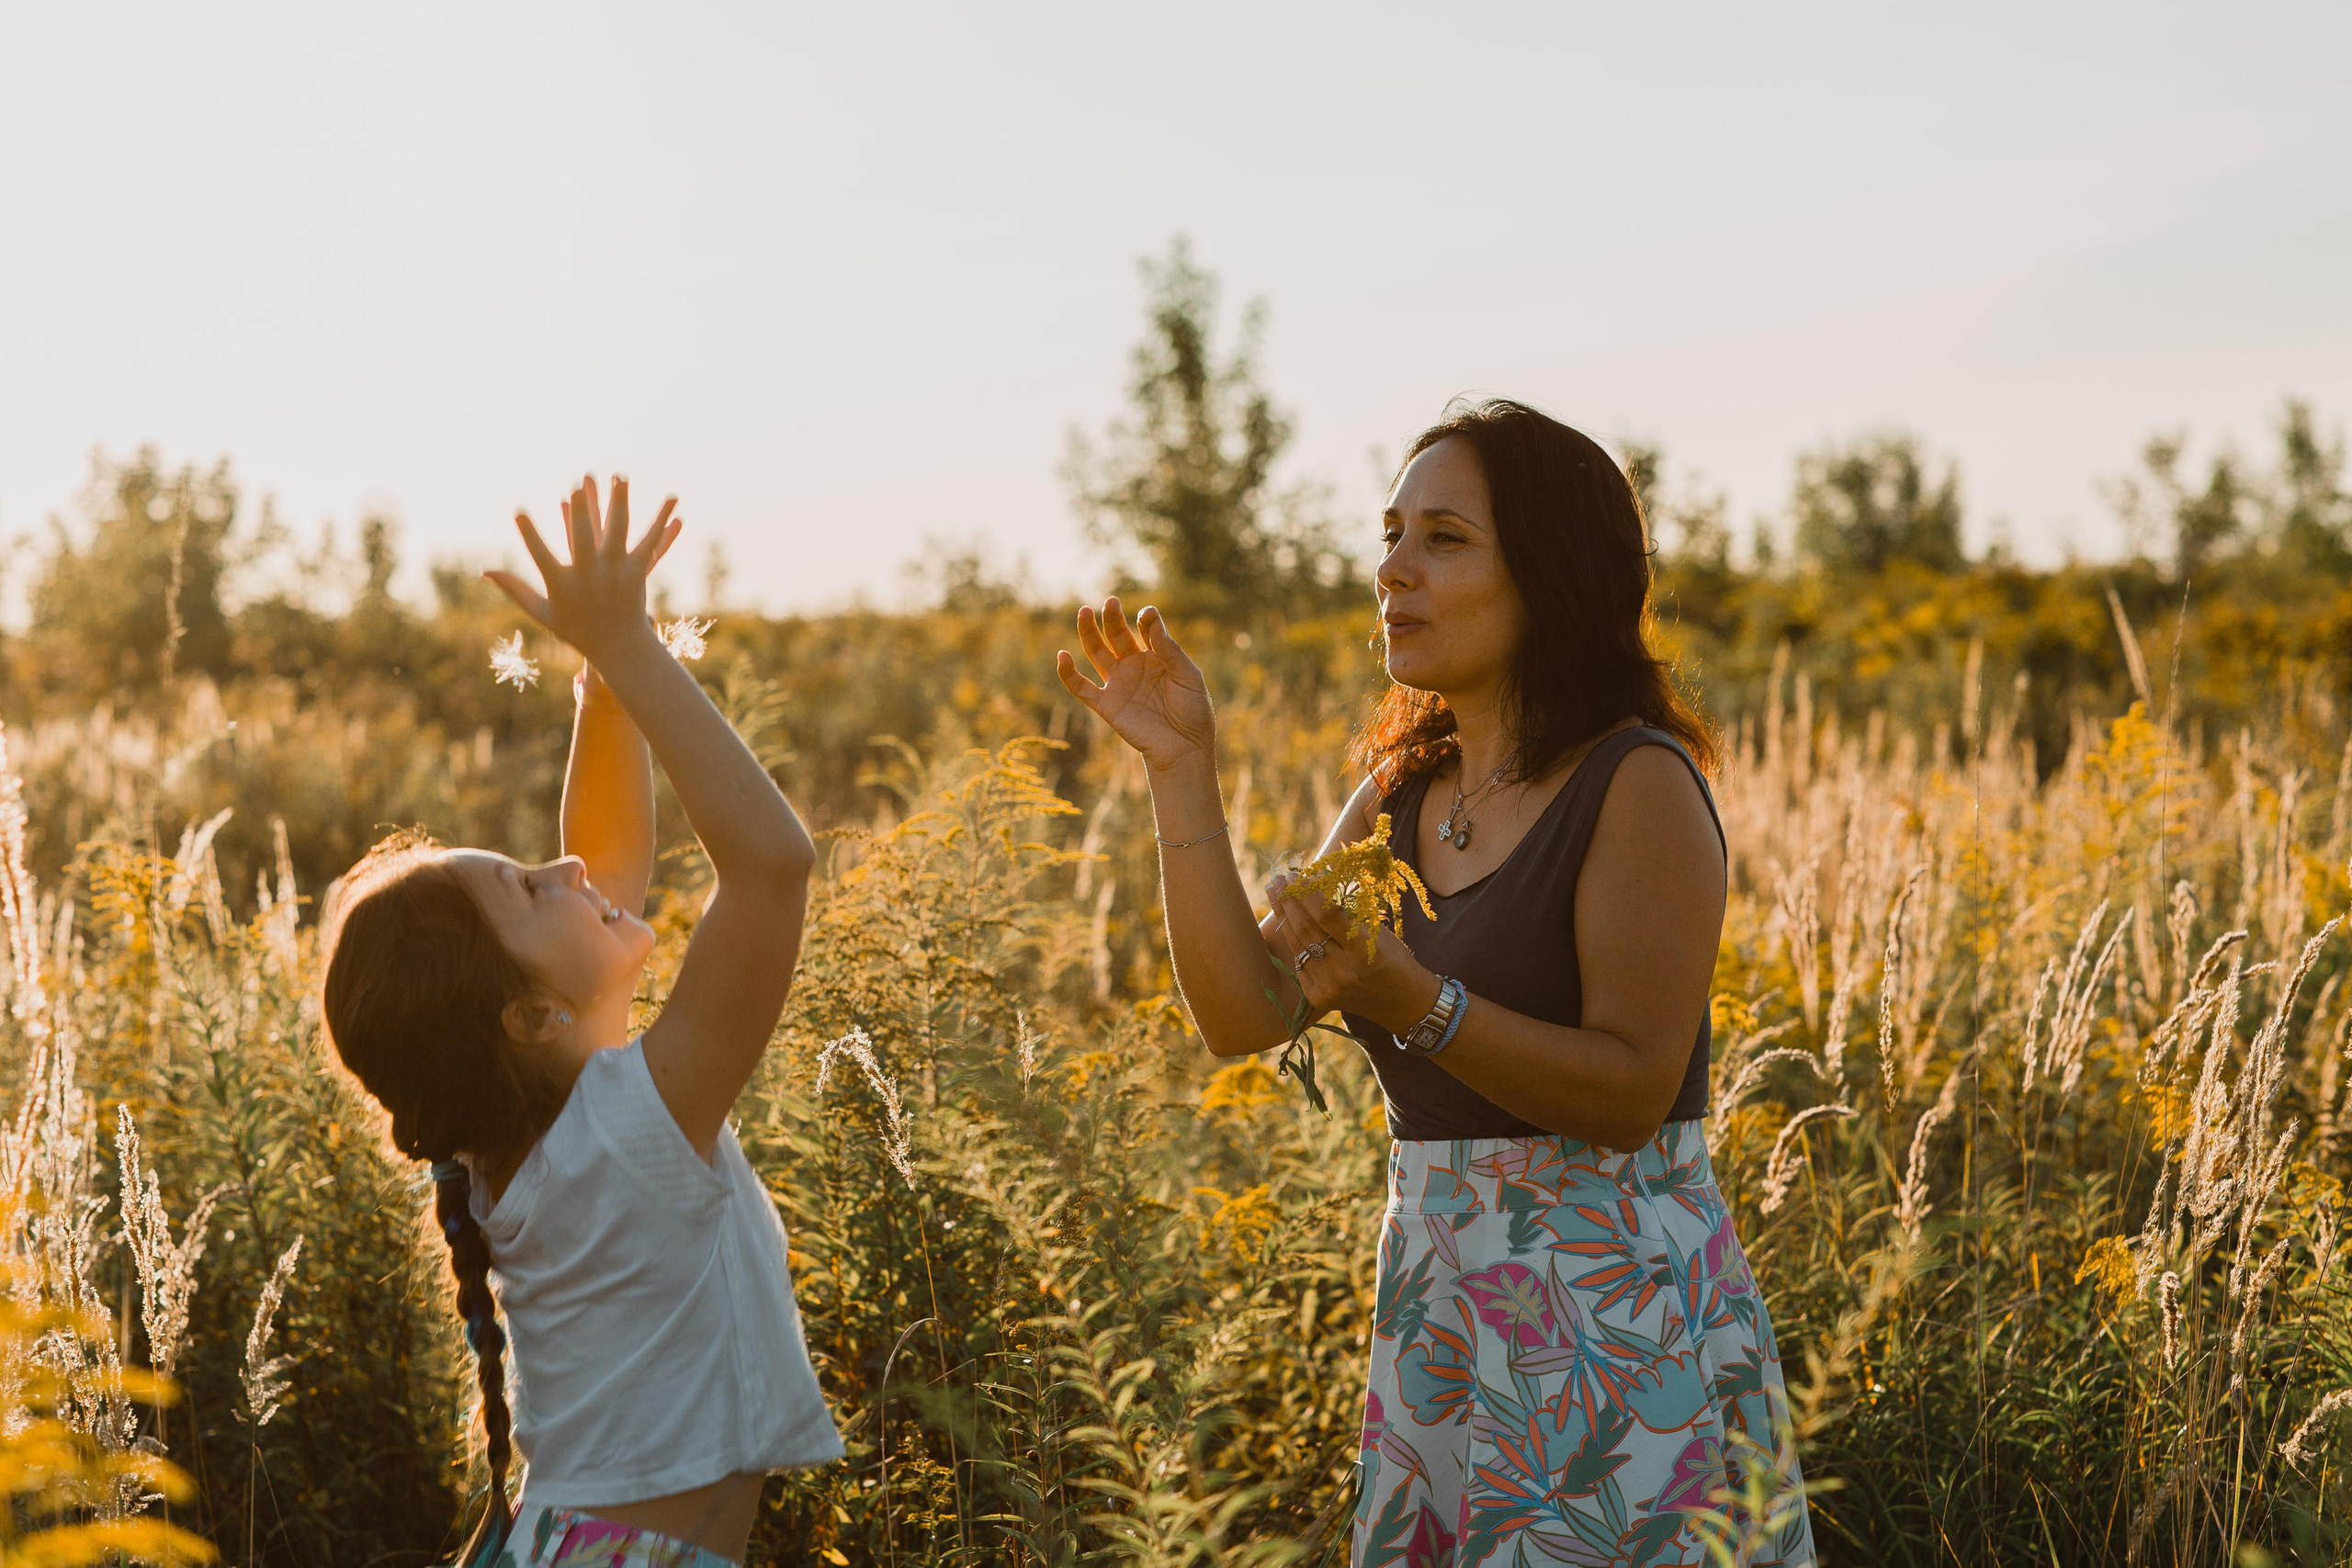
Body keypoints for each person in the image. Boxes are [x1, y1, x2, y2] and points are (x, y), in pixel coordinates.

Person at [1056, 400, 1815, 1565]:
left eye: (1443, 539)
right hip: (1444, 1310)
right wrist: (1180, 767)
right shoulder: (1402, 793)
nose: (1392, 571)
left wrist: (1415, 1002)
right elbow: (1243, 1011)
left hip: (1616, 1316)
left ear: (1551, 574)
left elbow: (1630, 1092)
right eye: (1391, 535)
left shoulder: (1637, 782)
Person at [320, 477, 842, 1567]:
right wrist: (633, 652)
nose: (566, 869)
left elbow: (599, 872)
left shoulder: (540, 1140)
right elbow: (772, 868)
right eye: (527, 887)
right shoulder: (621, 1131)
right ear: (532, 1015)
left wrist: (608, 691)